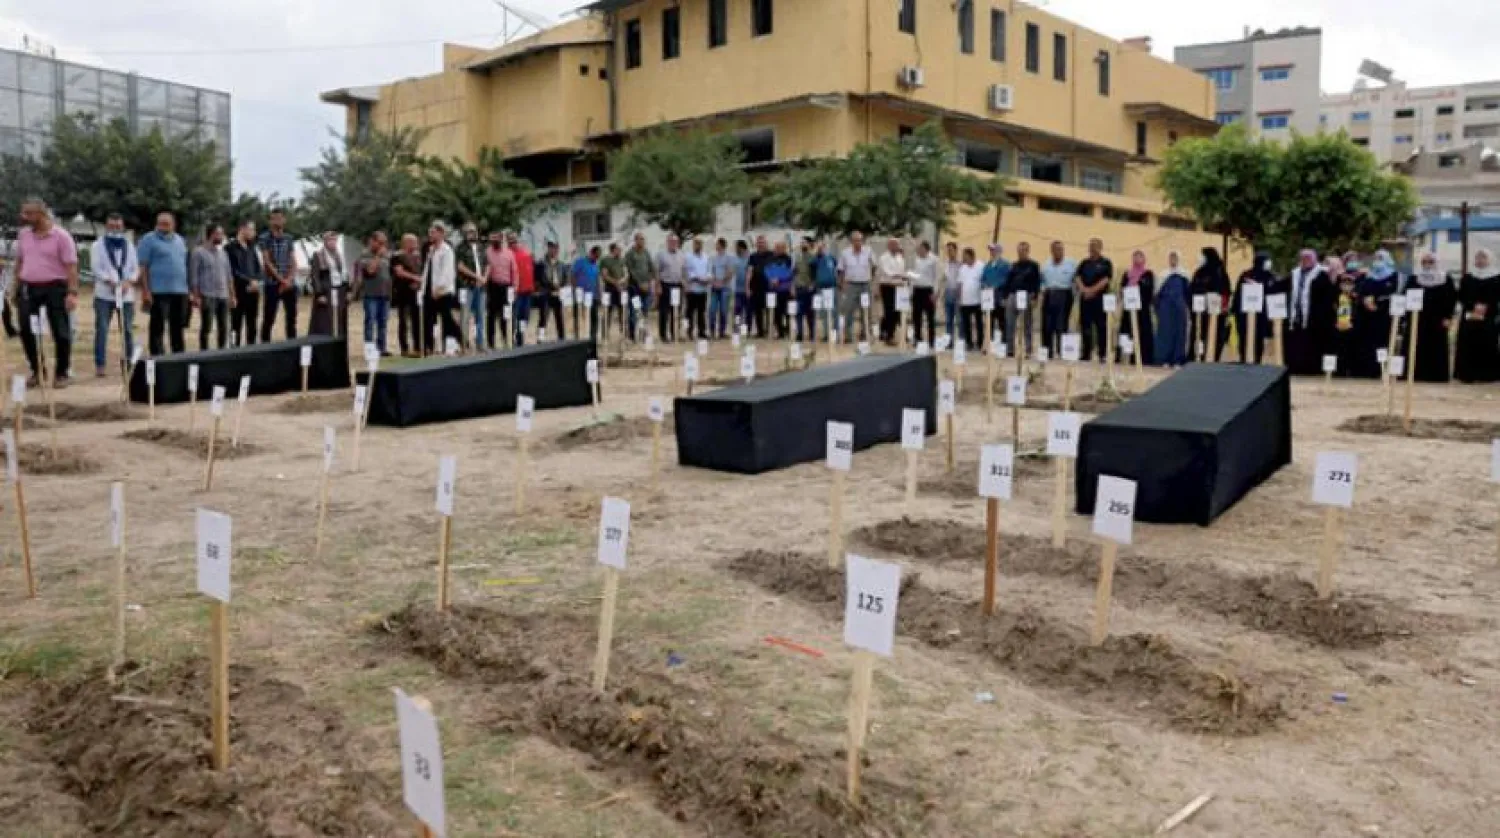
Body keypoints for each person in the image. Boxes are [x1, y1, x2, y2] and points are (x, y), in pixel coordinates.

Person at [14, 198, 79, 385]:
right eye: (23, 212)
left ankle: (62, 373)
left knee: (61, 331)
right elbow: (20, 261)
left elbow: (71, 266)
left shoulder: (61, 236)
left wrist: (72, 292)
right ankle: (37, 371)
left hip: (55, 287)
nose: (23, 217)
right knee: (26, 329)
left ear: (40, 214)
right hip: (29, 286)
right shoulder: (24, 235)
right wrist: (15, 286)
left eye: (28, 213)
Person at [90, 213, 137, 376]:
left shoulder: (129, 246)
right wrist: (109, 281)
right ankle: (100, 364)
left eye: (118, 226)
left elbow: (134, 268)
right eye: (111, 226)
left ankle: (129, 362)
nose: (115, 229)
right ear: (106, 227)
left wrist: (128, 282)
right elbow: (96, 267)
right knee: (102, 329)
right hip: (104, 294)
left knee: (128, 330)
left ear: (122, 227)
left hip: (126, 295)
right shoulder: (97, 245)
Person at [137, 211, 190, 357]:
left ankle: (179, 356)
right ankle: (158, 357)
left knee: (178, 327)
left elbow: (184, 265)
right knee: (157, 327)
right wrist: (146, 291)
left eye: (166, 224)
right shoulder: (148, 239)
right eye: (160, 223)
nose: (163, 227)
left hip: (180, 291)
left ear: (173, 225)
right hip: (158, 291)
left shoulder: (180, 240)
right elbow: (143, 267)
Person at [1406, 252, 1455, 383]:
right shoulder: (1414, 278)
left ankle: (1436, 375)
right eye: (1424, 262)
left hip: (1438, 320)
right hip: (1418, 318)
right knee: (1417, 345)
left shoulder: (1445, 279)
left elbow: (1451, 299)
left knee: (1437, 347)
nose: (1427, 265)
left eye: (1430, 262)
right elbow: (1406, 295)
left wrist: (1448, 317)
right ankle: (1415, 374)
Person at [1455, 248, 1500, 383]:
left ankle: (1487, 375)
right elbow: (1461, 295)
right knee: (1468, 344)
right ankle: (1467, 375)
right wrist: (1473, 306)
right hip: (1469, 315)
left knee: (1487, 343)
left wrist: (1486, 306)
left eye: (1483, 258)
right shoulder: (1468, 277)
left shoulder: (1497, 277)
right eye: (1478, 258)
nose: (1480, 261)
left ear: (1489, 260)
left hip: (1489, 316)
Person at [1284, 249, 1332, 375]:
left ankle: (1311, 369)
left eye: (1308, 258)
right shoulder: (1294, 274)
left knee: (1312, 345)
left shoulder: (1322, 275)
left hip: (1314, 319)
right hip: (1296, 317)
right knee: (1295, 344)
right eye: (1303, 258)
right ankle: (1294, 368)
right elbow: (1282, 287)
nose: (1305, 261)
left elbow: (1327, 298)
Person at [190, 224, 233, 350]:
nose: (221, 236)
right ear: (211, 234)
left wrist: (232, 295)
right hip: (207, 295)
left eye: (222, 234)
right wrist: (196, 296)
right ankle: (204, 352)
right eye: (219, 233)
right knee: (207, 327)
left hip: (223, 295)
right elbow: (194, 276)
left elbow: (229, 276)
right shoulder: (198, 252)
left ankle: (221, 352)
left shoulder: (223, 253)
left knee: (224, 326)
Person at [258, 208, 298, 342]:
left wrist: (289, 280)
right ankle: (265, 345)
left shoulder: (289, 238)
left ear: (284, 220)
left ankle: (292, 345)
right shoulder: (265, 238)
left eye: (280, 218)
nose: (277, 221)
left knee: (292, 318)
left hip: (289, 283)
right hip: (272, 283)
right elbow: (267, 262)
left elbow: (293, 261)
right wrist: (281, 280)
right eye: (274, 218)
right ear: (270, 221)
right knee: (269, 317)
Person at [422, 221, 459, 352]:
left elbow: (447, 272)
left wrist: (439, 288)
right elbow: (427, 270)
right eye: (429, 233)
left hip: (443, 291)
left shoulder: (447, 250)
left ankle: (454, 343)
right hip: (430, 290)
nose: (430, 235)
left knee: (447, 319)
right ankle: (429, 346)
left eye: (433, 232)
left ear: (441, 233)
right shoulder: (431, 250)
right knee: (429, 319)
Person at [1189, 247, 1231, 362]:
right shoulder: (1199, 272)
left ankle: (1211, 357)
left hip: (1214, 313)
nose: (1200, 258)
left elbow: (1225, 292)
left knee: (1213, 336)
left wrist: (1222, 308)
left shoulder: (1220, 272)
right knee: (1198, 335)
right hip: (1199, 311)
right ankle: (1196, 357)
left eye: (1203, 255)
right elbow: (1192, 289)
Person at [1074, 238, 1112, 363]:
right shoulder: (1084, 262)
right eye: (1090, 246)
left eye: (1095, 246)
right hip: (1085, 299)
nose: (1092, 248)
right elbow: (1077, 277)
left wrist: (1092, 291)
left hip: (1100, 299)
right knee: (1085, 326)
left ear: (1100, 248)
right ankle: (1086, 353)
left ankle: (1102, 354)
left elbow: (1106, 280)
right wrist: (1084, 289)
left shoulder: (1106, 262)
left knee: (1101, 326)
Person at [1231, 252, 1273, 364]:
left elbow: (1272, 291)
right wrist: (1234, 310)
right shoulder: (1246, 274)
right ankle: (1244, 358)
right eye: (1266, 260)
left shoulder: (1269, 276)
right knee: (1244, 337)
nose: (1269, 263)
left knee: (1259, 338)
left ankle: (1257, 360)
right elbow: (1238, 293)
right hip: (1244, 314)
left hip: (1261, 314)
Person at [356, 232, 393, 355]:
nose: (383, 245)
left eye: (385, 243)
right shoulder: (365, 254)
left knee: (383, 322)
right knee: (370, 321)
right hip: (371, 294)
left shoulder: (386, 255)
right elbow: (370, 270)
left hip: (385, 294)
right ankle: (369, 349)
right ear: (372, 241)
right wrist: (377, 256)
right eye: (381, 243)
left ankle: (381, 348)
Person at [225, 220, 261, 347]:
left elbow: (257, 266)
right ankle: (234, 350)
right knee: (236, 323)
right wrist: (249, 281)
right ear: (242, 229)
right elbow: (232, 270)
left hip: (253, 291)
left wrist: (256, 280)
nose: (254, 233)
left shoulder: (252, 247)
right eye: (252, 229)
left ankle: (251, 349)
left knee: (252, 323)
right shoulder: (230, 247)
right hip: (238, 291)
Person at [1118, 250, 1156, 365]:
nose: (1137, 259)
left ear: (1144, 259)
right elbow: (1122, 288)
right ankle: (1125, 357)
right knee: (1126, 332)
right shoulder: (1127, 273)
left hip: (1142, 310)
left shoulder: (1148, 274)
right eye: (1135, 257)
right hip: (1128, 309)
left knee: (1142, 333)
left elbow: (1148, 290)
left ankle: (1142, 358)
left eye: (1140, 257)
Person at [454, 223, 487, 351]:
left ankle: (480, 343)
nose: (472, 234)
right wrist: (477, 277)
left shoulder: (481, 247)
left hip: (481, 287)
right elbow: (460, 267)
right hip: (466, 286)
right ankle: (464, 343)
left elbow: (487, 264)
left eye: (473, 231)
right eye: (469, 232)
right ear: (464, 233)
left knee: (481, 316)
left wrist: (484, 278)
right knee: (465, 316)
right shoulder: (460, 248)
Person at [1154, 251, 1191, 367]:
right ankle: (1164, 359)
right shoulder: (1163, 274)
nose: (1173, 260)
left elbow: (1188, 293)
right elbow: (1156, 294)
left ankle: (1177, 359)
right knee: (1165, 334)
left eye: (1175, 258)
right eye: (1171, 258)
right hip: (1165, 308)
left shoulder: (1184, 274)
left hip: (1179, 308)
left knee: (1179, 333)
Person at [1039, 241, 1075, 357]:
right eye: (1055, 249)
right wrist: (1042, 290)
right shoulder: (1046, 264)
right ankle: (1047, 351)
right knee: (1047, 323)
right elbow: (1042, 280)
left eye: (1060, 249)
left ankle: (1062, 351)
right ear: (1051, 251)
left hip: (1064, 293)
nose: (1058, 252)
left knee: (1061, 323)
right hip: (1049, 293)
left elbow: (1077, 278)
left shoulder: (1071, 263)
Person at [307, 231, 346, 337]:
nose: (333, 242)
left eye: (335, 240)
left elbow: (342, 273)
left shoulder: (338, 255)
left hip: (337, 289)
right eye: (330, 240)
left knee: (338, 317)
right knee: (323, 319)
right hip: (325, 289)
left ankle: (337, 340)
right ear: (325, 241)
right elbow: (314, 276)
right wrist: (319, 294)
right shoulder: (318, 255)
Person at [392, 234, 425, 357]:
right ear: (406, 243)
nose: (416, 244)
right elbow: (399, 272)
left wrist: (419, 282)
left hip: (416, 293)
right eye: (413, 242)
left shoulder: (418, 256)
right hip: (403, 292)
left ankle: (417, 346)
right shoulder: (397, 256)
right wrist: (415, 278)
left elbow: (422, 271)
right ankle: (404, 348)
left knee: (417, 320)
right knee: (404, 321)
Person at [837, 232, 873, 342]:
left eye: (860, 240)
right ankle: (847, 335)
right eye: (855, 240)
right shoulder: (845, 253)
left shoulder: (868, 251)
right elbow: (840, 270)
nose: (858, 242)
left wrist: (872, 279)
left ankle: (865, 333)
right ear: (851, 241)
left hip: (865, 284)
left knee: (866, 309)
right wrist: (842, 284)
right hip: (851, 284)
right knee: (848, 310)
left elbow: (874, 266)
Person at [1008, 242, 1040, 357]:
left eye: (1023, 251)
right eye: (1019, 251)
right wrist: (1006, 296)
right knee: (1010, 323)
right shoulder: (1014, 265)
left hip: (1027, 295)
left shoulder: (1033, 265)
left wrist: (1035, 297)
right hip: (1013, 295)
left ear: (1027, 251)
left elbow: (1037, 282)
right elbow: (1009, 280)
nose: (1020, 253)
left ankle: (1028, 350)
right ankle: (1010, 349)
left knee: (1027, 323)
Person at [485, 231, 515, 349]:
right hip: (492, 286)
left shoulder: (509, 253)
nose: (495, 240)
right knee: (491, 315)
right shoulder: (487, 252)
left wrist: (514, 288)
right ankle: (491, 343)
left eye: (497, 238)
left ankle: (506, 339)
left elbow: (514, 271)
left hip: (506, 288)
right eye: (493, 238)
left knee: (505, 315)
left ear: (501, 239)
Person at [653, 234, 686, 342]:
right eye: (671, 241)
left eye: (675, 241)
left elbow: (683, 271)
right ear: (667, 242)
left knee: (676, 310)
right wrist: (658, 286)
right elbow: (657, 271)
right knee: (664, 311)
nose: (673, 243)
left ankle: (674, 333)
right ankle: (663, 335)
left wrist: (684, 283)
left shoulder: (681, 255)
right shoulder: (661, 255)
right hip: (665, 285)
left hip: (677, 285)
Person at [624, 233, 654, 341]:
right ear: (635, 240)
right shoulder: (630, 254)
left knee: (645, 311)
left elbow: (651, 267)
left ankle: (643, 334)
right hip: (635, 288)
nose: (642, 241)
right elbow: (631, 270)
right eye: (640, 239)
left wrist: (650, 281)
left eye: (643, 239)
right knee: (635, 311)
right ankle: (632, 335)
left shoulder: (646, 253)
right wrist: (640, 283)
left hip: (646, 288)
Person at [534, 241, 568, 340]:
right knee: (544, 315)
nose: (554, 250)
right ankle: (540, 337)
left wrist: (562, 286)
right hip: (546, 291)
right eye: (552, 248)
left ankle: (561, 338)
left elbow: (566, 277)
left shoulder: (561, 264)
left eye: (556, 248)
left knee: (559, 317)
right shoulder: (541, 263)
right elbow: (539, 278)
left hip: (559, 292)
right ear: (548, 249)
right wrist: (551, 286)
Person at [876, 238, 906, 344]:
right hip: (887, 286)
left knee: (896, 311)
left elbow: (902, 270)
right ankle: (888, 335)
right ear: (889, 246)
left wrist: (903, 277)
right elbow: (887, 272)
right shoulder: (884, 258)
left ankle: (888, 332)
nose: (896, 247)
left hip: (898, 287)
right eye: (894, 245)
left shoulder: (900, 257)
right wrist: (898, 275)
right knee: (889, 311)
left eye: (897, 245)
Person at [745, 235, 774, 339]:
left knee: (769, 309)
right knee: (757, 311)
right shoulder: (753, 257)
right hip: (755, 287)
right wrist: (747, 287)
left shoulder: (772, 255)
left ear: (766, 244)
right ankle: (760, 331)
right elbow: (749, 271)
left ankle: (769, 330)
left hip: (769, 287)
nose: (761, 245)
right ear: (756, 244)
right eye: (759, 243)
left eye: (763, 243)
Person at [509, 233, 536, 346]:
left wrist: (532, 287)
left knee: (524, 317)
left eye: (515, 240)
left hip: (527, 291)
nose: (514, 243)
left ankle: (521, 337)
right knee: (514, 317)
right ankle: (512, 339)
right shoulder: (508, 254)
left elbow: (530, 271)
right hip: (516, 292)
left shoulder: (525, 254)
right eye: (511, 241)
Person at [765, 240, 795, 339]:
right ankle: (780, 332)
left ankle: (788, 331)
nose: (778, 249)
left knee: (787, 312)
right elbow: (766, 271)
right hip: (773, 290)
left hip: (785, 289)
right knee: (776, 313)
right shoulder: (770, 259)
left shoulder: (788, 259)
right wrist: (771, 279)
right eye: (777, 247)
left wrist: (780, 279)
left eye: (780, 248)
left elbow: (790, 273)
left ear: (784, 248)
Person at [910, 240, 939, 345]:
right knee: (916, 316)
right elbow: (913, 275)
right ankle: (917, 338)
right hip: (917, 289)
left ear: (926, 249)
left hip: (928, 290)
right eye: (918, 249)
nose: (918, 250)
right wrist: (911, 290)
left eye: (920, 248)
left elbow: (936, 277)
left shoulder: (934, 260)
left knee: (930, 317)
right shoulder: (916, 259)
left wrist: (935, 293)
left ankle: (932, 340)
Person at [981, 244, 1009, 349]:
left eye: (993, 250)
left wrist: (995, 286)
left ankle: (1003, 345)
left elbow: (1006, 279)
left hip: (1000, 297)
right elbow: (983, 278)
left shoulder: (1005, 264)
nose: (992, 252)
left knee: (1002, 322)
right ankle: (989, 344)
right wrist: (984, 285)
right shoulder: (988, 265)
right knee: (989, 322)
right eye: (991, 251)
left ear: (999, 251)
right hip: (988, 298)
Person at [956, 247, 984, 349]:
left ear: (971, 256)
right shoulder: (962, 268)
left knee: (979, 323)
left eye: (965, 256)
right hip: (965, 301)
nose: (963, 258)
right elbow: (959, 284)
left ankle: (980, 343)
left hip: (978, 300)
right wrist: (959, 298)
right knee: (966, 324)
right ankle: (969, 343)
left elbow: (984, 281)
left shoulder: (980, 265)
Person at [599, 242, 626, 341]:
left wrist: (622, 282)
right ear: (613, 249)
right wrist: (616, 283)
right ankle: (605, 335)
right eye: (618, 249)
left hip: (621, 289)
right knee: (607, 312)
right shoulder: (606, 260)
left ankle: (623, 335)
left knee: (622, 312)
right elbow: (605, 275)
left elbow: (625, 273)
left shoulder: (622, 260)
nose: (620, 251)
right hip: (609, 289)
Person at [684, 237, 711, 340]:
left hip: (703, 289)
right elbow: (688, 271)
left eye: (699, 244)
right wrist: (697, 278)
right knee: (690, 312)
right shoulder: (688, 257)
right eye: (696, 243)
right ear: (693, 245)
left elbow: (708, 270)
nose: (697, 245)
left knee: (701, 312)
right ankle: (689, 332)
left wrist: (708, 278)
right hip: (692, 288)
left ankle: (702, 332)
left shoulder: (705, 257)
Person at [812, 239, 839, 341]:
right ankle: (826, 334)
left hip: (832, 287)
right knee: (823, 312)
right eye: (819, 248)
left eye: (822, 247)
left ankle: (835, 332)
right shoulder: (816, 259)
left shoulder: (831, 258)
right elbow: (812, 265)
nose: (821, 249)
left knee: (834, 311)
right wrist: (817, 253)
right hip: (821, 288)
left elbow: (837, 267)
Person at [793, 238, 818, 343]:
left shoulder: (813, 258)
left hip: (809, 289)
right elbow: (794, 272)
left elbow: (816, 274)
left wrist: (813, 285)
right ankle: (800, 334)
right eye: (801, 242)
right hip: (799, 288)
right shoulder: (797, 257)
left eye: (804, 243)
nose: (802, 244)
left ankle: (812, 334)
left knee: (810, 314)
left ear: (809, 244)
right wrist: (792, 287)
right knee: (798, 313)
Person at [709, 238, 735, 339]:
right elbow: (712, 270)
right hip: (715, 287)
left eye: (717, 244)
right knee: (712, 309)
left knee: (724, 310)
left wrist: (722, 281)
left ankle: (722, 332)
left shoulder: (729, 257)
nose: (716, 246)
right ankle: (711, 331)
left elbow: (730, 271)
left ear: (722, 245)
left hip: (725, 287)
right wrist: (714, 281)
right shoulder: (713, 258)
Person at [576, 245, 602, 342]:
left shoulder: (595, 265)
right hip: (582, 297)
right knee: (583, 318)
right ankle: (581, 339)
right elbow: (573, 276)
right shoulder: (580, 262)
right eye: (596, 256)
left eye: (598, 257)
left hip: (593, 296)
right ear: (591, 253)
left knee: (594, 319)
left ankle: (593, 339)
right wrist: (576, 291)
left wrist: (599, 295)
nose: (596, 259)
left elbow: (597, 280)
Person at [942, 241, 961, 338]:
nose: (949, 252)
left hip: (957, 293)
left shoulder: (960, 265)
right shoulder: (945, 264)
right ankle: (949, 340)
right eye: (947, 250)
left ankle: (962, 340)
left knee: (959, 319)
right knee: (948, 319)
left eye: (951, 250)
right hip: (948, 292)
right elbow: (943, 279)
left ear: (956, 251)